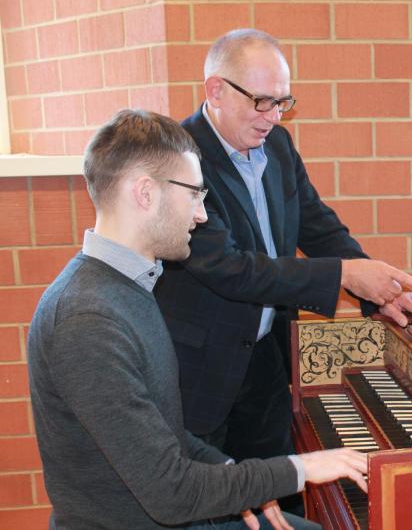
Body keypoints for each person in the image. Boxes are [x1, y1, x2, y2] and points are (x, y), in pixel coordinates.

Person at [27, 109, 368, 530]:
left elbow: (164, 433)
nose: (202, 214)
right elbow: (171, 493)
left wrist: (231, 472)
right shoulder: (88, 318)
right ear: (145, 193)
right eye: (194, 193)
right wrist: (299, 469)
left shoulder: (128, 286)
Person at [154, 28, 412, 477]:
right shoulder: (179, 158)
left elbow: (317, 226)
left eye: (283, 102)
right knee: (210, 508)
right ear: (216, 91)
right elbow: (231, 269)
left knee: (276, 497)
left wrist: (381, 289)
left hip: (264, 359)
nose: (274, 117)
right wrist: (342, 275)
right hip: (201, 371)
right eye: (263, 101)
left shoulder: (277, 146)